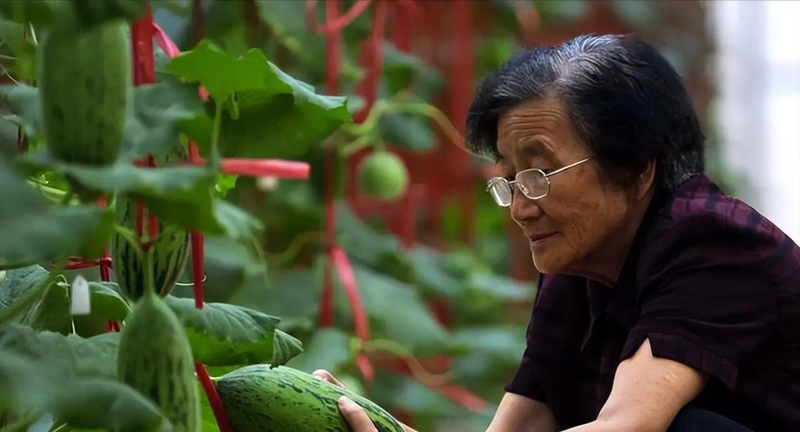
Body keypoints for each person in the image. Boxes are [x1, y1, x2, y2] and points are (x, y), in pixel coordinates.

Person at [315, 34, 800, 432]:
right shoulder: (579, 259)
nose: (521, 208)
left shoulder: (716, 243)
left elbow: (627, 426)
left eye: (539, 174)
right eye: (508, 181)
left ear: (635, 168)